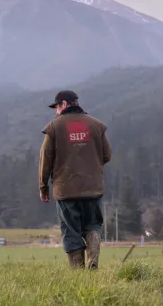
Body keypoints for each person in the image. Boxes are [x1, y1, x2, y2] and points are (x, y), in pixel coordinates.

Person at [38, 89, 112, 268]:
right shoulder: (96, 125)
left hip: (66, 190)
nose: (56, 111)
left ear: (64, 104)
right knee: (92, 225)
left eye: (56, 106)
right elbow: (107, 155)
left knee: (70, 231)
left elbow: (45, 158)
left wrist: (43, 186)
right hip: (92, 188)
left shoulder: (54, 127)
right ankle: (93, 263)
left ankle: (77, 273)